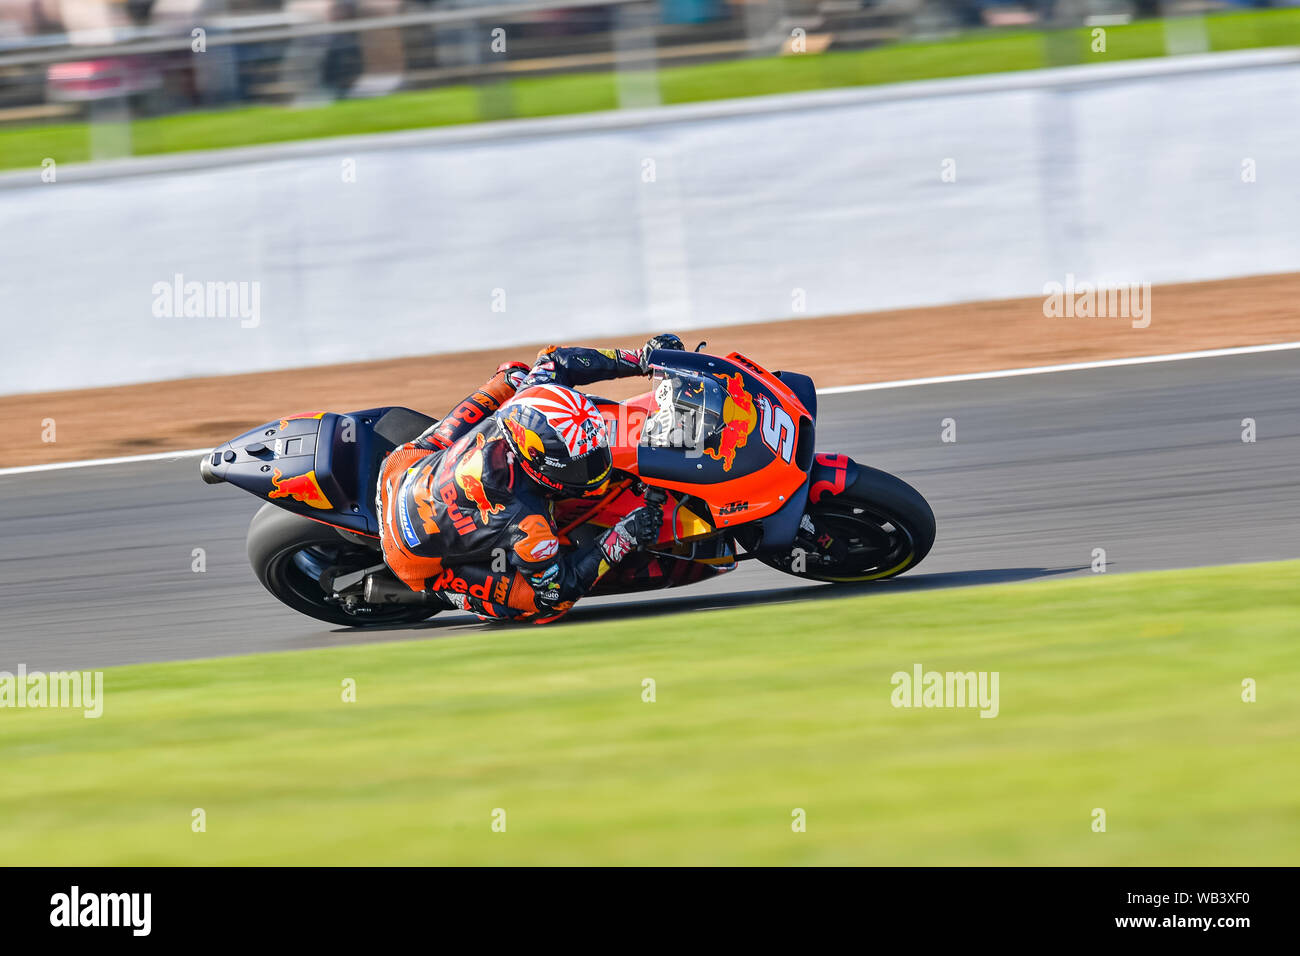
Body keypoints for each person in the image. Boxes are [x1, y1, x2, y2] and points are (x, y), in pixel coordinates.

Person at [377, 334, 687, 623]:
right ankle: (441, 589)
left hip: (402, 466)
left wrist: (643, 359)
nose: (594, 471)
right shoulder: (528, 523)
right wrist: (623, 536)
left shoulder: (529, 398)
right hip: (410, 556)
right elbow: (558, 587)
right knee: (548, 605)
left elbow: (557, 359)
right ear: (539, 464)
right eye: (579, 466)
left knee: (514, 376)